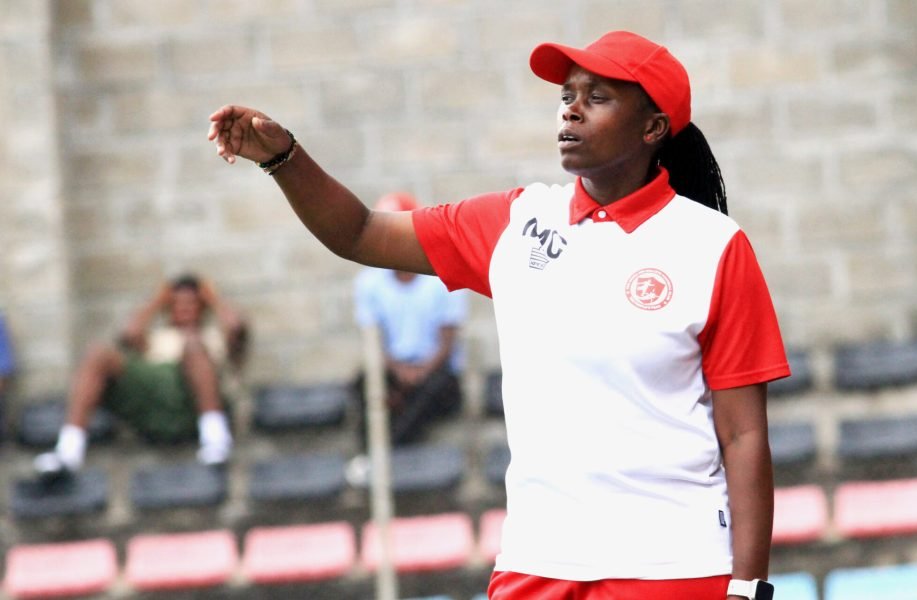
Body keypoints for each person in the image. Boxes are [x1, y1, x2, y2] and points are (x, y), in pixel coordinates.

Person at [209, 30, 788, 600]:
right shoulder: (517, 221)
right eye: (567, 96)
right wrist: (284, 157)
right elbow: (359, 232)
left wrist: (748, 586)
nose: (572, 112)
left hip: (671, 567)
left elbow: (742, 434)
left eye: (597, 97)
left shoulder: (712, 246)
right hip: (537, 561)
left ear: (653, 127)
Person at [34, 275, 248, 477]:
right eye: (178, 303)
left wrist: (212, 297)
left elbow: (236, 327)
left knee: (193, 346)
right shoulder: (156, 338)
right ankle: (69, 450)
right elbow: (129, 334)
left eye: (191, 303)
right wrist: (157, 301)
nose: (184, 308)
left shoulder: (213, 336)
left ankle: (215, 439)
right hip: (154, 400)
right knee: (97, 354)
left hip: (191, 403)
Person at [353, 192, 467, 447]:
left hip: (436, 370)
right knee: (362, 385)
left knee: (428, 392)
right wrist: (400, 371)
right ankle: (376, 450)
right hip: (394, 369)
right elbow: (374, 341)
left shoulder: (443, 276)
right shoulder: (369, 283)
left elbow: (447, 342)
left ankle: (386, 453)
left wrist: (420, 373)